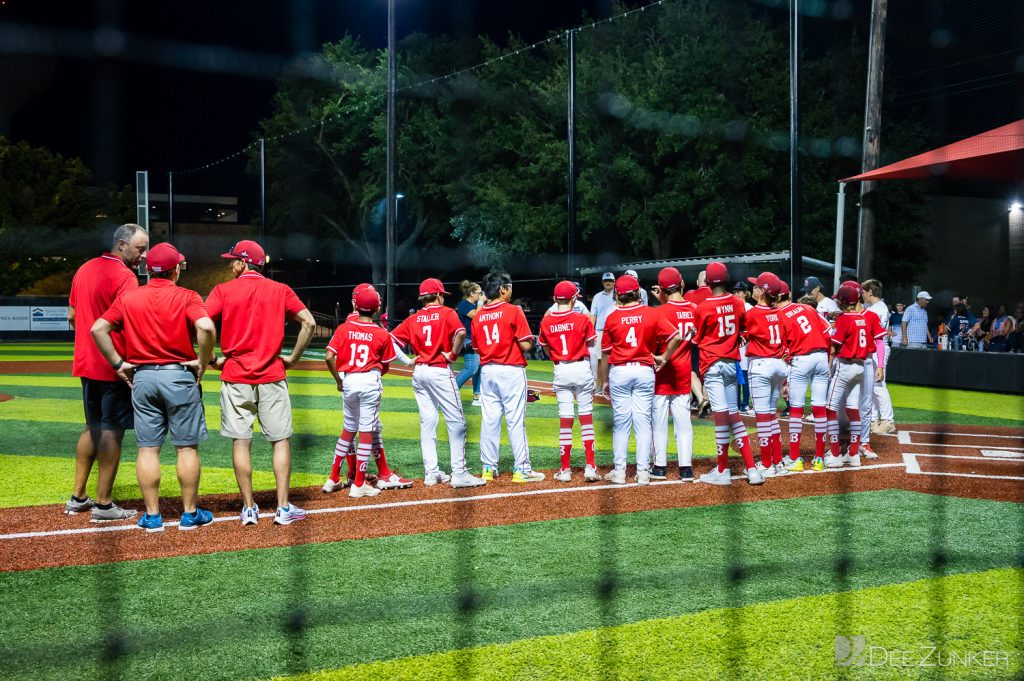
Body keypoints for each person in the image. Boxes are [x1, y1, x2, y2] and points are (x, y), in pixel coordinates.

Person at [91, 242, 216, 532]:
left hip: (143, 377)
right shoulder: (187, 295)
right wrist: (202, 360)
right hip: (179, 376)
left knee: (148, 449)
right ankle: (189, 514)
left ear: (148, 269)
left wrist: (118, 364)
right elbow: (207, 327)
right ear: (175, 271)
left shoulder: (129, 297)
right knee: (186, 448)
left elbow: (98, 328)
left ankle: (152, 516)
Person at [205, 240, 315, 526]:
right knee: (280, 441)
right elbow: (310, 323)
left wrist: (211, 359)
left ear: (243, 263)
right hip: (272, 374)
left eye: (233, 260)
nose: (230, 264)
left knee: (242, 442)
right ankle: (282, 508)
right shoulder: (280, 290)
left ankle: (250, 508)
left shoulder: (222, 290)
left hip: (235, 374)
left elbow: (202, 324)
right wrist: (292, 358)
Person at [65, 223, 149, 522]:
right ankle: (103, 504)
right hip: (114, 365)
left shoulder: (84, 269)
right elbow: (133, 321)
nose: (143, 255)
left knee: (93, 427)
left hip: (86, 362)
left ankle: (78, 497)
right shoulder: (125, 276)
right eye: (140, 248)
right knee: (112, 431)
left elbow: (72, 316)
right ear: (122, 245)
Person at [390, 278, 485, 488]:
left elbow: (391, 340)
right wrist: (452, 354)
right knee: (457, 421)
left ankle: (431, 473)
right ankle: (459, 473)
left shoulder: (413, 318)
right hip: (440, 371)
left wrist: (407, 361)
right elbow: (461, 332)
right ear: (439, 295)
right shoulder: (447, 313)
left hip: (420, 373)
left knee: (428, 422)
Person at [323, 283, 413, 493]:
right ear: (376, 308)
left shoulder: (344, 327)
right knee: (367, 432)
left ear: (356, 304)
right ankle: (358, 483)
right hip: (369, 381)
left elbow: (329, 356)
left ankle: (334, 477)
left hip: (348, 380)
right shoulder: (380, 332)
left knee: (348, 430)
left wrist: (338, 380)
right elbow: (386, 364)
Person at [598, 275, 679, 484]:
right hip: (644, 370)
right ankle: (643, 472)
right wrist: (664, 357)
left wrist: (604, 381)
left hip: (620, 371)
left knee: (621, 423)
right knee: (643, 422)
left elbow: (605, 353)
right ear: (637, 292)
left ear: (618, 294)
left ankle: (620, 471)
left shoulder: (612, 317)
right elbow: (676, 336)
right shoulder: (651, 313)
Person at [692, 262, 762, 486]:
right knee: (733, 416)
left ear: (708, 282)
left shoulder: (702, 307)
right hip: (732, 363)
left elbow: (696, 339)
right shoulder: (738, 302)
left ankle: (723, 470)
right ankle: (752, 468)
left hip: (712, 364)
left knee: (722, 418)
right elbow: (744, 329)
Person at [472, 271, 544, 482]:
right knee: (515, 420)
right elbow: (525, 344)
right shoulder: (513, 311)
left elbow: (477, 348)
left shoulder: (479, 316)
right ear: (502, 289)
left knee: (490, 420)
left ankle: (488, 468)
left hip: (488, 371)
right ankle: (522, 469)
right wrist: (534, 341)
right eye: (509, 287)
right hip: (510, 370)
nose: (511, 291)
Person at [537, 281, 599, 482]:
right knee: (586, 417)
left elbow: (546, 349)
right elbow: (590, 344)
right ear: (573, 299)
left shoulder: (546, 321)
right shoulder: (582, 318)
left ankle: (565, 470)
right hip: (580, 367)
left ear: (555, 299)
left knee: (565, 419)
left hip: (561, 368)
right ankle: (590, 466)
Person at [824, 285, 885, 469]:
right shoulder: (863, 318)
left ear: (842, 302)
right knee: (853, 408)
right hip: (861, 367)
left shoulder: (844, 319)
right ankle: (853, 455)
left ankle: (835, 453)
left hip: (845, 365)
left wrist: (828, 363)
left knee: (830, 408)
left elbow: (835, 346)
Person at [779, 280, 833, 471]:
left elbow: (782, 348)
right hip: (820, 357)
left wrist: (784, 380)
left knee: (796, 409)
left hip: (801, 359)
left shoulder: (780, 314)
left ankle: (795, 458)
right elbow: (828, 332)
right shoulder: (808, 309)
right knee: (819, 409)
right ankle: (819, 458)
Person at [650, 267, 696, 481]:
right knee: (683, 423)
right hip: (684, 371)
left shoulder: (658, 312)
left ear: (661, 289)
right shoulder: (695, 309)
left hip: (661, 372)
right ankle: (685, 468)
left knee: (658, 422)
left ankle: (660, 467)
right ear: (682, 284)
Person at [743, 272, 789, 478]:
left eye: (755, 286)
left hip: (761, 365)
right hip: (779, 365)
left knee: (762, 417)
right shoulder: (779, 312)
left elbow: (742, 335)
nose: (752, 288)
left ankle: (767, 464)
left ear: (762, 292)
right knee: (771, 415)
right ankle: (779, 461)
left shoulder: (752, 313)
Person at [861, 279, 896, 438]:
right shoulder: (873, 307)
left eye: (863, 291)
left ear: (869, 292)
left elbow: (877, 336)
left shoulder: (878, 308)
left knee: (879, 385)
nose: (862, 294)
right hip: (873, 348)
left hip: (878, 348)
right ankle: (874, 420)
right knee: (872, 387)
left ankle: (888, 420)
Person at [455, 281, 483, 406]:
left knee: (479, 369)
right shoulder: (464, 304)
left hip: (475, 339)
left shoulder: (474, 305)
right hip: (467, 340)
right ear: (472, 293)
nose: (481, 295)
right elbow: (477, 316)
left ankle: (477, 396)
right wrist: (481, 303)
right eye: (479, 293)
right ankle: (449, 393)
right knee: (471, 368)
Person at [730, 281, 754, 416]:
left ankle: (744, 404)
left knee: (744, 375)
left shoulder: (750, 308)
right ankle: (737, 404)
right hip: (734, 347)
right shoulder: (732, 307)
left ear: (745, 293)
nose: (736, 294)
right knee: (736, 376)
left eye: (739, 291)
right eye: (734, 292)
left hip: (745, 347)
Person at [589, 272, 617, 384]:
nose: (608, 283)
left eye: (610, 280)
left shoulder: (618, 295)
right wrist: (591, 333)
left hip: (616, 331)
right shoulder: (597, 296)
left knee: (614, 359)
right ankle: (600, 385)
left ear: (614, 282)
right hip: (600, 331)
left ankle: (611, 385)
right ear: (602, 282)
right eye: (606, 281)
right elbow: (593, 315)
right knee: (600, 359)